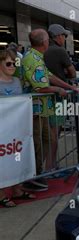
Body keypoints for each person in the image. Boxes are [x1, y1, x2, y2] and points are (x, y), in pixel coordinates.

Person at [22, 29, 79, 191]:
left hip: (42, 109)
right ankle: (33, 176)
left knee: (46, 139)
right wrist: (57, 90)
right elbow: (40, 87)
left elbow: (49, 76)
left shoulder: (37, 57)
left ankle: (39, 173)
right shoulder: (32, 59)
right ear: (44, 42)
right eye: (48, 39)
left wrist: (69, 87)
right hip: (35, 110)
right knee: (38, 142)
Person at [0, 49, 37, 207]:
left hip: (16, 129)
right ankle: (1, 193)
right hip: (2, 130)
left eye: (14, 63)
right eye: (8, 63)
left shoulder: (16, 82)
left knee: (16, 156)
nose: (12, 66)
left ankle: (17, 190)